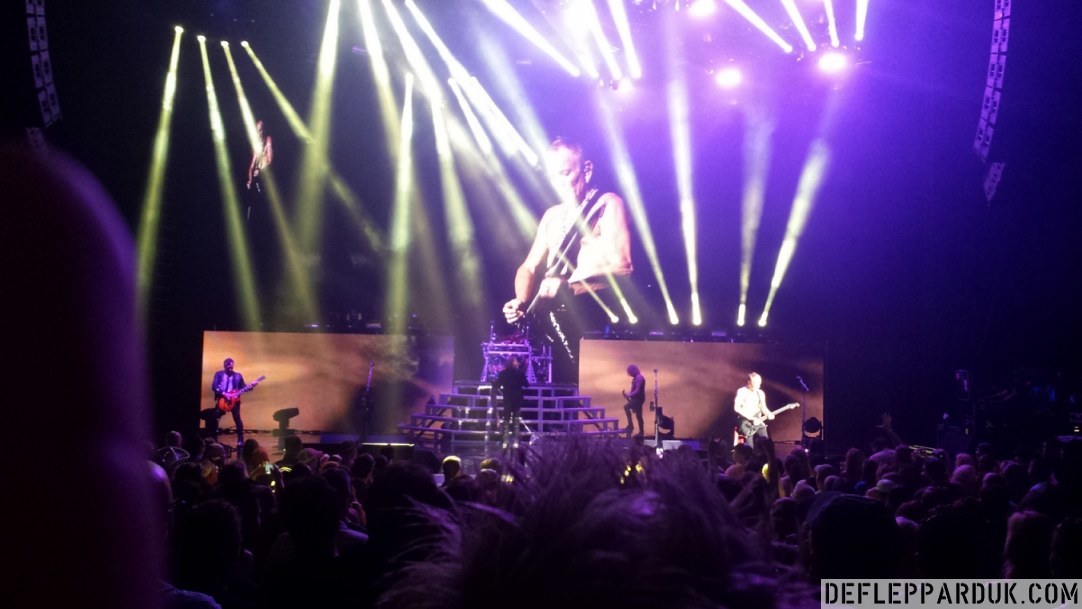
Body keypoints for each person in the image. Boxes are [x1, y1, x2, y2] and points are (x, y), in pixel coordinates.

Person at [502, 137, 632, 383]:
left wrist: (571, 288)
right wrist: (520, 300)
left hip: (589, 317)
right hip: (549, 320)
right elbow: (528, 267)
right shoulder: (552, 216)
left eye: (564, 173)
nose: (558, 184)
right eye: (552, 177)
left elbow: (623, 268)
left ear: (587, 170)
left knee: (572, 390)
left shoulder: (607, 204)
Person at [491, 356, 530, 449]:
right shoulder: (520, 373)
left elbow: (497, 385)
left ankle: (505, 441)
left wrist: (493, 382)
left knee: (506, 420)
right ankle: (515, 441)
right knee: (516, 420)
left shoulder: (503, 373)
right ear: (515, 363)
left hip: (507, 398)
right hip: (517, 399)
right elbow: (527, 385)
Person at [211, 357, 250, 448]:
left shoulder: (238, 376)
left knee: (237, 419)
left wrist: (251, 386)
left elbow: (243, 387)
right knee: (215, 418)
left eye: (231, 367)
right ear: (224, 366)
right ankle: (214, 439)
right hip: (222, 400)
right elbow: (214, 386)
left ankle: (240, 440)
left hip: (234, 401)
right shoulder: (219, 374)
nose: (230, 369)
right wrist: (224, 394)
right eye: (228, 367)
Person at [734, 372, 773, 449]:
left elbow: (763, 408)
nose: (759, 385)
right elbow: (737, 408)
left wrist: (769, 413)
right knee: (749, 447)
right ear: (749, 382)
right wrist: (751, 418)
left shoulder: (760, 393)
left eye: (759, 383)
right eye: (756, 383)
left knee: (766, 444)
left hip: (758, 421)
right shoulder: (742, 391)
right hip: (746, 422)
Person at [246, 119, 273, 194]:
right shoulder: (256, 146)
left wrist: (259, 169)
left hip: (266, 179)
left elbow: (270, 160)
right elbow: (251, 166)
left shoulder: (267, 140)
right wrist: (250, 180)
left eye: (259, 129)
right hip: (257, 181)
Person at [622, 364, 646, 436]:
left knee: (626, 407)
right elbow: (633, 390)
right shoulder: (636, 378)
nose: (629, 374)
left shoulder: (639, 378)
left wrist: (629, 395)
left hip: (638, 399)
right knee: (639, 415)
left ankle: (631, 425)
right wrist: (628, 395)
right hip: (637, 398)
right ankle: (641, 432)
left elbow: (637, 390)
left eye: (630, 372)